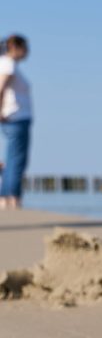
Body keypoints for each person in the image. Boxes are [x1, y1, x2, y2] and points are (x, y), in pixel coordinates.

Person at [0, 35, 33, 209]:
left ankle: (7, 197)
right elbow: (1, 86)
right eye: (26, 47)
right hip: (15, 117)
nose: (28, 51)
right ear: (15, 47)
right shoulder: (8, 63)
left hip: (14, 117)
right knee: (16, 159)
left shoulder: (6, 63)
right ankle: (11, 198)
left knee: (13, 158)